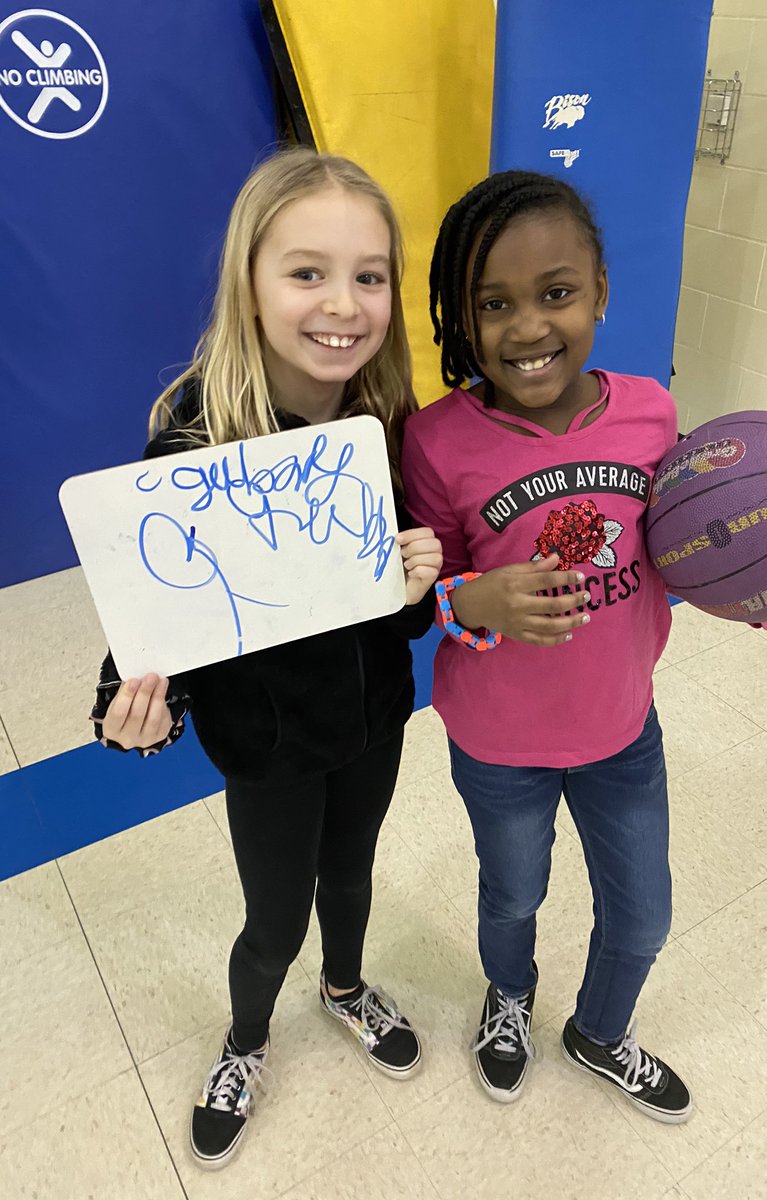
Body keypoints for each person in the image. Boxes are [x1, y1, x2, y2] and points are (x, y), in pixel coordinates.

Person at [402, 169, 767, 1117]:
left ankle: (599, 1030)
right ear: (460, 315)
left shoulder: (649, 416)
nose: (528, 328)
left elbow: (692, 558)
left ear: (600, 292)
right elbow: (427, 599)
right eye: (492, 304)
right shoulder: (436, 440)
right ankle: (508, 997)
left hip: (624, 731)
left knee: (646, 910)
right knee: (512, 897)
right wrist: (477, 600)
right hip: (498, 744)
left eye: (556, 294)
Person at [92, 147, 442, 1169]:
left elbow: (400, 615)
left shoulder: (384, 425)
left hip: (374, 718)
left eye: (369, 275)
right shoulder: (190, 441)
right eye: (307, 272)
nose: (344, 302)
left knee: (354, 874)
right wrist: (132, 708)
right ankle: (245, 1043)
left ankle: (345, 987)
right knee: (273, 917)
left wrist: (416, 584)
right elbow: (152, 630)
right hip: (267, 745)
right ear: (249, 281)